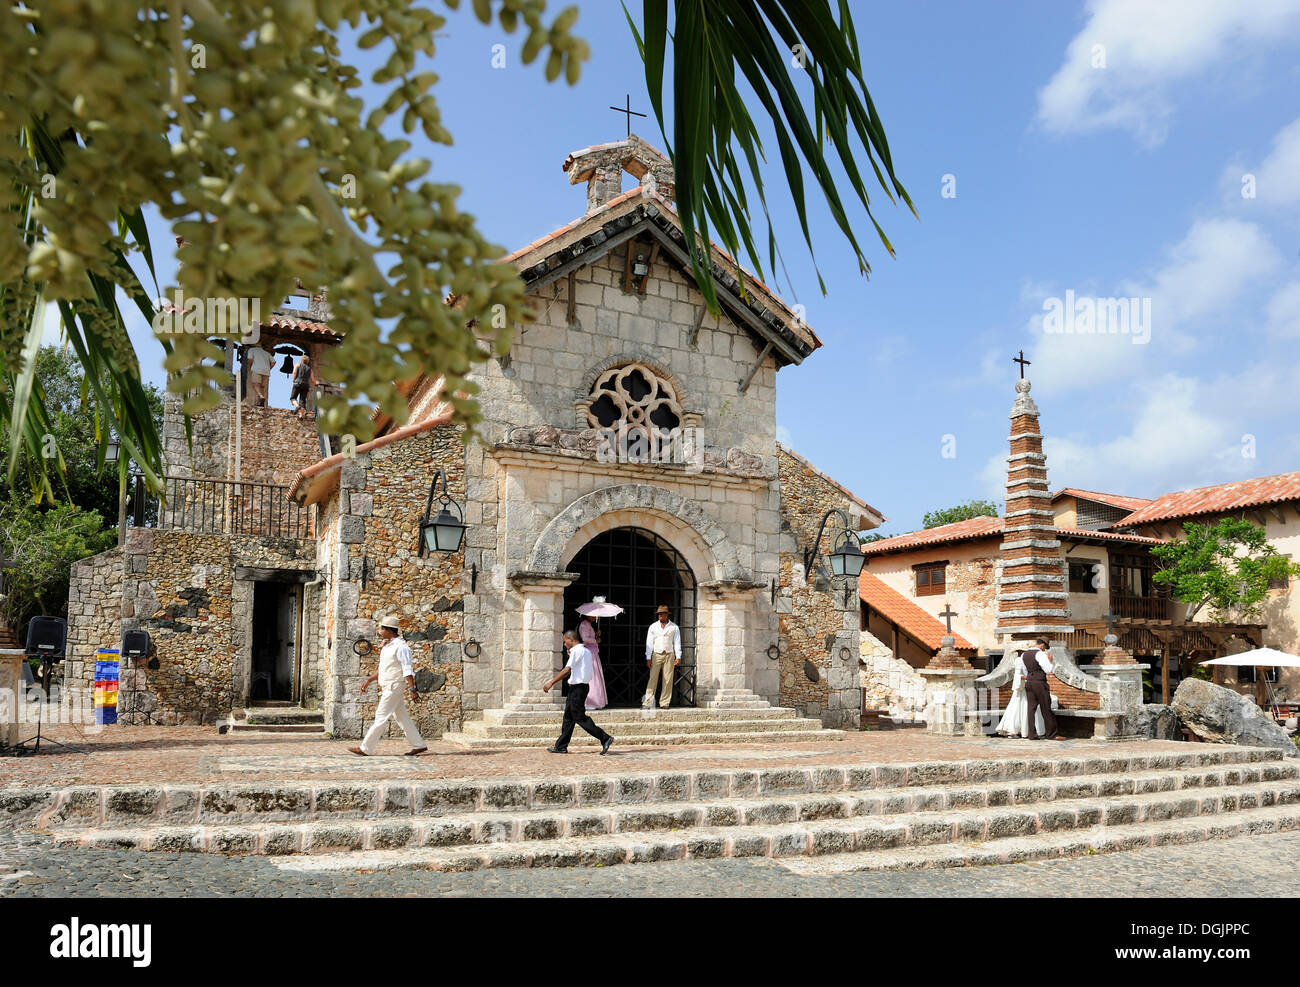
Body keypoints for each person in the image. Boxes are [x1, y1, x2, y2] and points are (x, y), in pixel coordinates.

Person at [348, 615, 428, 756]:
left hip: (394, 686)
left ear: (390, 630)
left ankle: (365, 748)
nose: (380, 631)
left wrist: (412, 688)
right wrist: (369, 680)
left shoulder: (401, 647)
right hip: (388, 685)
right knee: (401, 716)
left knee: (381, 716)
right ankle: (419, 744)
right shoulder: (387, 647)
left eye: (383, 629)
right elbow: (383, 668)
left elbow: (407, 669)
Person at [542, 630, 614, 755]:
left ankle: (605, 738)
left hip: (578, 689)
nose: (564, 644)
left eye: (565, 641)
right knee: (568, 718)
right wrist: (571, 656)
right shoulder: (586, 650)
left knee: (580, 717)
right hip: (579, 688)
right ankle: (561, 746)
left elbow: (566, 670)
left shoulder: (577, 651)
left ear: (571, 639)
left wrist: (551, 683)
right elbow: (579, 666)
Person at [995, 646, 1049, 738]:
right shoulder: (1021, 660)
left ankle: (1021, 730)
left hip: (1023, 686)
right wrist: (1032, 678)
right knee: (1025, 708)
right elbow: (1020, 675)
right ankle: (1021, 730)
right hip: (1024, 686)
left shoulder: (1018, 660)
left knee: (1019, 707)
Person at [1022, 637, 1063, 741]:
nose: (1045, 649)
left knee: (1031, 708)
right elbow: (1048, 669)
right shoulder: (1040, 654)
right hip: (1039, 682)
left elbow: (1025, 671)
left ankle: (1032, 734)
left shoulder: (1024, 654)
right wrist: (1050, 661)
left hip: (1029, 682)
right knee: (1046, 707)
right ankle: (1052, 734)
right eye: (1045, 647)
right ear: (1042, 645)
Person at [643, 604, 681, 709]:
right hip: (656, 654)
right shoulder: (653, 626)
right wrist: (648, 657)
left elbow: (677, 642)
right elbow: (649, 643)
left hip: (669, 654)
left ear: (667, 615)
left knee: (668, 679)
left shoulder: (674, 627)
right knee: (653, 678)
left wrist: (678, 656)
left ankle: (664, 703)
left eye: (662, 614)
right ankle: (648, 702)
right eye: (659, 614)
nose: (660, 615)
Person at [578, 613, 607, 710]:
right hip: (589, 653)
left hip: (593, 652)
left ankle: (597, 701)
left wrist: (596, 634)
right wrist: (596, 640)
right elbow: (585, 638)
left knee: (596, 677)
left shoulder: (589, 625)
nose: (594, 618)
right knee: (592, 677)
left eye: (595, 616)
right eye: (592, 616)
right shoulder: (584, 624)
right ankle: (590, 701)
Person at [245, 340, 273, 407]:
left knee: (255, 384)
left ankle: (261, 397)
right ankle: (262, 402)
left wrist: (251, 365)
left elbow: (249, 359)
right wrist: (269, 368)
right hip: (266, 372)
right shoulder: (267, 353)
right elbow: (274, 362)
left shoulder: (251, 350)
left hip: (256, 370)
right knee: (263, 387)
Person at [290, 354, 313, 419]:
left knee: (293, 398)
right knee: (302, 401)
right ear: (308, 361)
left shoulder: (297, 365)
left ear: (302, 360)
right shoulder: (310, 369)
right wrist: (317, 383)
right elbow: (313, 380)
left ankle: (297, 406)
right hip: (306, 385)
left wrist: (293, 381)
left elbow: (294, 372)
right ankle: (301, 416)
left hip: (298, 383)